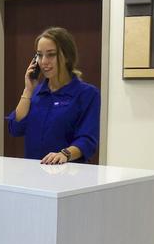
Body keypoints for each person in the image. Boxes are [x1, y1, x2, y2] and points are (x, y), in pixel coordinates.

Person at [7, 27, 100, 164]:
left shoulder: (87, 94)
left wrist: (65, 154)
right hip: (34, 171)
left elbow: (88, 140)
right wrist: (28, 90)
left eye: (51, 55)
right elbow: (16, 129)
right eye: (39, 55)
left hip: (68, 171)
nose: (44, 61)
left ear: (67, 57)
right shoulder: (36, 93)